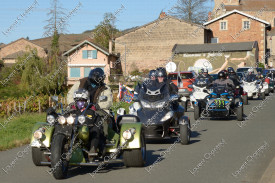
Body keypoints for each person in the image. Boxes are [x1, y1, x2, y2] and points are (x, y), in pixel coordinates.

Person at [67, 68, 113, 144]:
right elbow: (70, 94)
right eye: (93, 75)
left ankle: (104, 137)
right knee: (66, 116)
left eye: (97, 77)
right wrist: (72, 103)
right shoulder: (80, 82)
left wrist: (97, 106)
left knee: (103, 118)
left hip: (96, 109)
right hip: (79, 106)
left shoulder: (105, 88)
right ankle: (65, 136)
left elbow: (108, 101)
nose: (95, 78)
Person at [72, 88, 103, 155]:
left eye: (82, 100)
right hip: (73, 130)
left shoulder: (92, 111)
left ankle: (93, 149)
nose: (80, 102)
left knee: (96, 129)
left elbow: (98, 123)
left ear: (87, 100)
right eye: (77, 100)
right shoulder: (72, 111)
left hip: (88, 132)